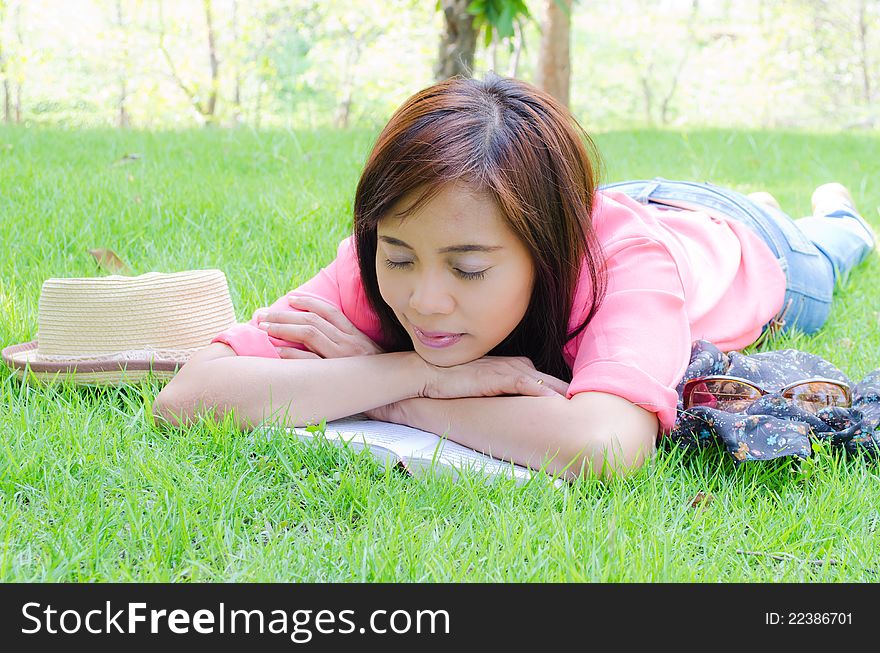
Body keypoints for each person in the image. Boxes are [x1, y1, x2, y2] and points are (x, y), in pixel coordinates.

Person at [151, 72, 876, 481]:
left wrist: (393, 389)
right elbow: (189, 395)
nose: (422, 297)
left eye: (468, 269)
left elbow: (604, 446)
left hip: (745, 246)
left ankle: (829, 215)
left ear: (546, 249)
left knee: (833, 244)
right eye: (397, 257)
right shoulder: (417, 231)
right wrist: (414, 371)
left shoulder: (627, 264)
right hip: (607, 189)